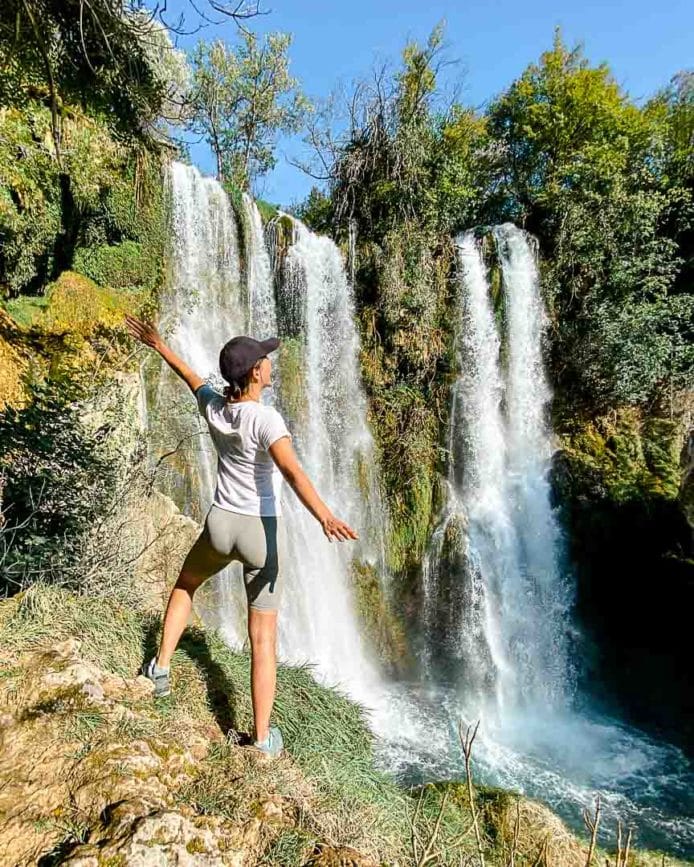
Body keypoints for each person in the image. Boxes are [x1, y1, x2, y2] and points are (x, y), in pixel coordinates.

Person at [124, 314, 359, 757]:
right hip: (259, 531)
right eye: (265, 359)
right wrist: (323, 516)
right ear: (255, 373)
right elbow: (291, 471)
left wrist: (159, 345)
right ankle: (262, 738)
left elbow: (191, 377)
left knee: (186, 584)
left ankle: (160, 669)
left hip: (220, 524)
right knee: (263, 638)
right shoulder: (267, 420)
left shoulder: (215, 407)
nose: (270, 362)